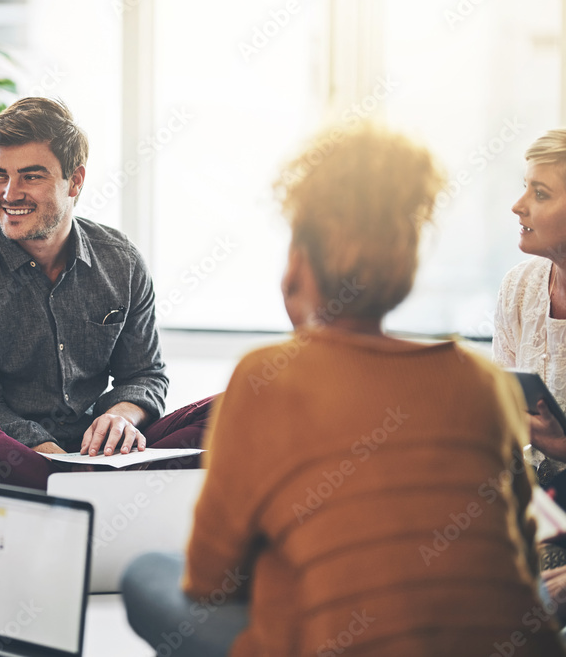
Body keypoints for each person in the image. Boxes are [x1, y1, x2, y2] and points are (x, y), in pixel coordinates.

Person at [121, 125, 565, 656]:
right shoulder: (483, 384)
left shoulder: (267, 377)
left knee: (149, 573)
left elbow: (210, 578)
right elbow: (510, 547)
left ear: (299, 263)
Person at [0, 97, 214, 525]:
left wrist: (120, 417)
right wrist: (59, 462)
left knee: (239, 406)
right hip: (18, 460)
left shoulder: (120, 261)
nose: (9, 194)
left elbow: (145, 374)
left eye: (30, 177)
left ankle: (86, 506)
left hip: (105, 453)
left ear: (75, 181)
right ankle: (114, 504)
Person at [494, 128, 566, 467]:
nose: (517, 206)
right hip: (534, 503)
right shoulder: (518, 288)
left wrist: (561, 448)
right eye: (526, 187)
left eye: (539, 193)